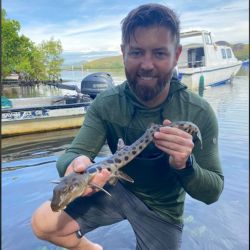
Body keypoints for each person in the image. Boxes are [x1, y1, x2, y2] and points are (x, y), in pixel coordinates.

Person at [31, 3, 224, 250]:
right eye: (136, 53)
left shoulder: (199, 112)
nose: (146, 64)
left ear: (176, 55)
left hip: (162, 209)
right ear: (123, 53)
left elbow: (212, 192)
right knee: (42, 222)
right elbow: (71, 155)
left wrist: (184, 164)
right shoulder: (107, 103)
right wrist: (73, 165)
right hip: (116, 188)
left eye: (159, 53)